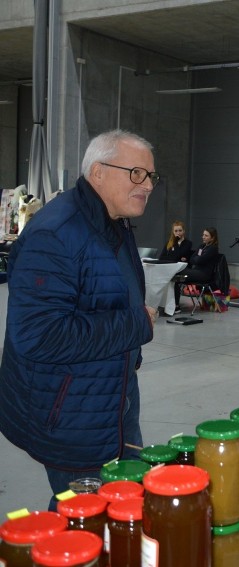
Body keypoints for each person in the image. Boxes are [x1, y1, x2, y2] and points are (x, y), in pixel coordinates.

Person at [0, 129, 158, 507]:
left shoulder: (112, 222)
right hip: (70, 410)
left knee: (123, 500)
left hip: (111, 392)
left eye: (151, 176)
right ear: (98, 172)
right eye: (136, 173)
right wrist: (138, 324)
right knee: (84, 512)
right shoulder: (57, 233)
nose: (148, 185)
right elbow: (39, 336)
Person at [173, 226, 219, 310]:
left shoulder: (213, 249)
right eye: (203, 235)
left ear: (212, 238)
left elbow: (198, 260)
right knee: (176, 279)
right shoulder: (202, 246)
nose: (203, 237)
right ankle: (175, 304)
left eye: (206, 236)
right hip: (196, 272)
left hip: (204, 275)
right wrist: (197, 258)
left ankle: (176, 306)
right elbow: (192, 259)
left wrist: (197, 258)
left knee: (179, 272)